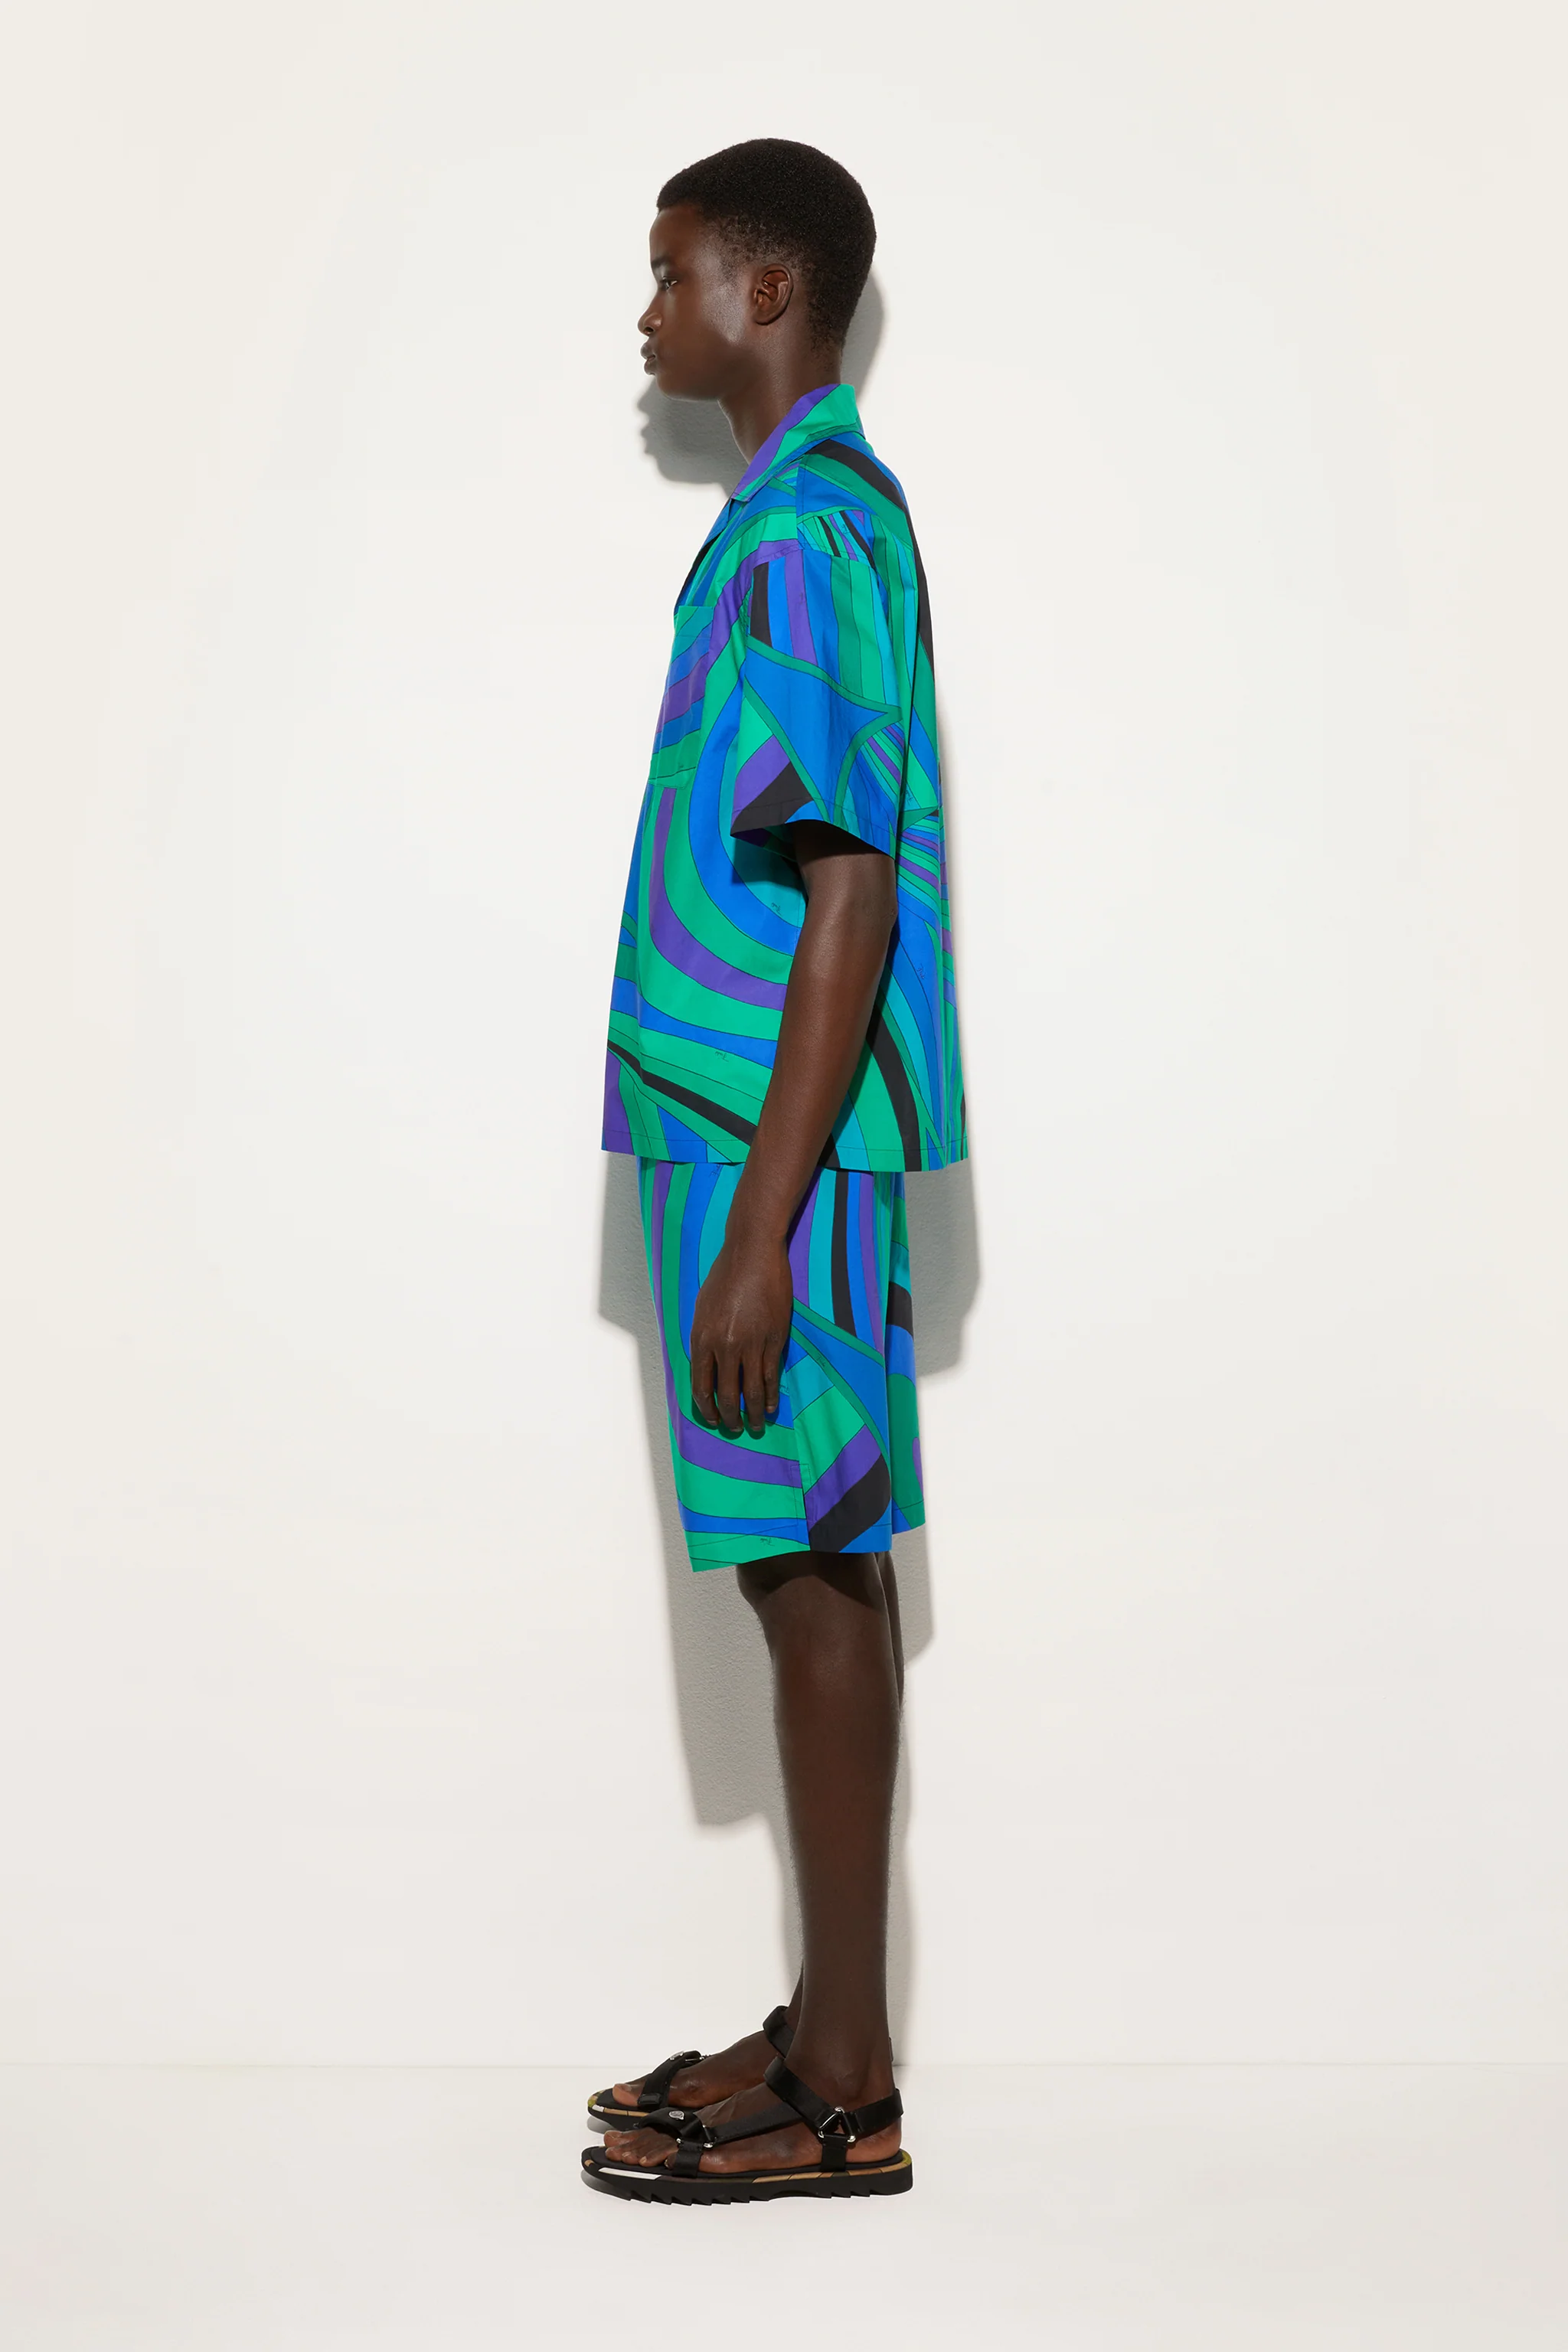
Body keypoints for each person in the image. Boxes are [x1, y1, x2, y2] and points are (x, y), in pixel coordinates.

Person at [582, 139, 965, 2204]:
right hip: (758, 1155)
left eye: (670, 274)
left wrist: (756, 1233)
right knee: (805, 1564)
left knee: (813, 1573)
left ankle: (845, 2092)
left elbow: (848, 899)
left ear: (767, 293)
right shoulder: (791, 522)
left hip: (774, 1166)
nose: (646, 314)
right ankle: (830, 2036)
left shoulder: (808, 536)